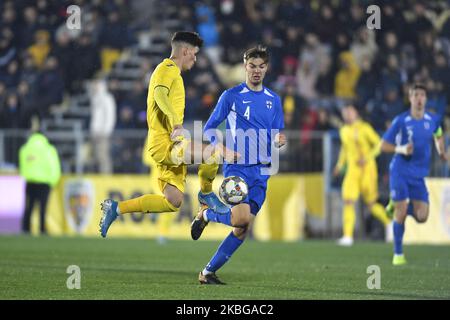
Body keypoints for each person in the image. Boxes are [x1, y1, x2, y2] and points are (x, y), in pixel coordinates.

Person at [99, 31, 235, 237]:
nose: (195, 59)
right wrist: (175, 124)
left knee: (173, 202)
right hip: (166, 143)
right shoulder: (167, 68)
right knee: (212, 153)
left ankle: (116, 208)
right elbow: (159, 94)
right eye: (194, 54)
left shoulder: (173, 74)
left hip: (169, 144)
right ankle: (207, 194)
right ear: (185, 51)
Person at [190, 46, 286, 285]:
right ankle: (206, 213)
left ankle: (207, 272)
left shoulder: (274, 100)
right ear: (245, 66)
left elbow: (276, 132)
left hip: (261, 172)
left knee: (243, 228)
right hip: (237, 168)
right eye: (252, 66)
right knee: (240, 220)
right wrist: (222, 149)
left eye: (261, 66)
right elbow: (209, 128)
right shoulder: (231, 96)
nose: (256, 71)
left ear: (267, 68)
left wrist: (278, 139)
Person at [381, 83, 447, 266]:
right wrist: (401, 148)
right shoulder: (401, 120)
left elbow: (438, 134)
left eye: (422, 95)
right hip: (400, 171)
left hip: (418, 176)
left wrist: (441, 151)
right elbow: (383, 145)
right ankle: (398, 254)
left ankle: (395, 206)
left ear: (425, 99)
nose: (419, 98)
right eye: (415, 94)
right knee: (401, 212)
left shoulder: (432, 120)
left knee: (422, 216)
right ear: (410, 98)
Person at [333, 105, 391, 246]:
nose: (347, 115)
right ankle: (347, 236)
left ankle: (391, 224)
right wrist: (339, 165)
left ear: (356, 113)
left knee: (371, 205)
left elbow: (379, 145)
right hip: (352, 171)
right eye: (345, 113)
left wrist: (367, 157)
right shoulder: (344, 131)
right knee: (348, 201)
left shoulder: (365, 128)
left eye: (350, 112)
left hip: (368, 170)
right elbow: (345, 150)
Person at [19, 131, 61, 234]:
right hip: (45, 183)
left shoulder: (25, 149)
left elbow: (22, 165)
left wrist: (26, 176)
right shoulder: (49, 149)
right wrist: (53, 181)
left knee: (29, 207)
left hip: (30, 181)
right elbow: (54, 166)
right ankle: (42, 229)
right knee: (43, 208)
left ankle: (26, 229)